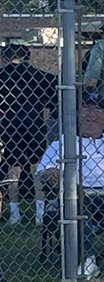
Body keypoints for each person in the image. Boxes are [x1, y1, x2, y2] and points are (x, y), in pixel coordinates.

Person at [38, 92, 104, 280]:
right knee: (78, 201)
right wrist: (51, 174)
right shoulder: (64, 141)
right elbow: (44, 171)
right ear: (78, 113)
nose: (91, 114)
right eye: (86, 108)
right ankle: (88, 260)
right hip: (83, 196)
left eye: (97, 109)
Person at [0, 43, 56, 226]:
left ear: (5, 56)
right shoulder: (41, 76)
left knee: (13, 167)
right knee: (36, 166)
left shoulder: (2, 77)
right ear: (27, 56)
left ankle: (14, 213)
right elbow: (53, 101)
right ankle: (40, 213)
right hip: (35, 123)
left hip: (9, 124)